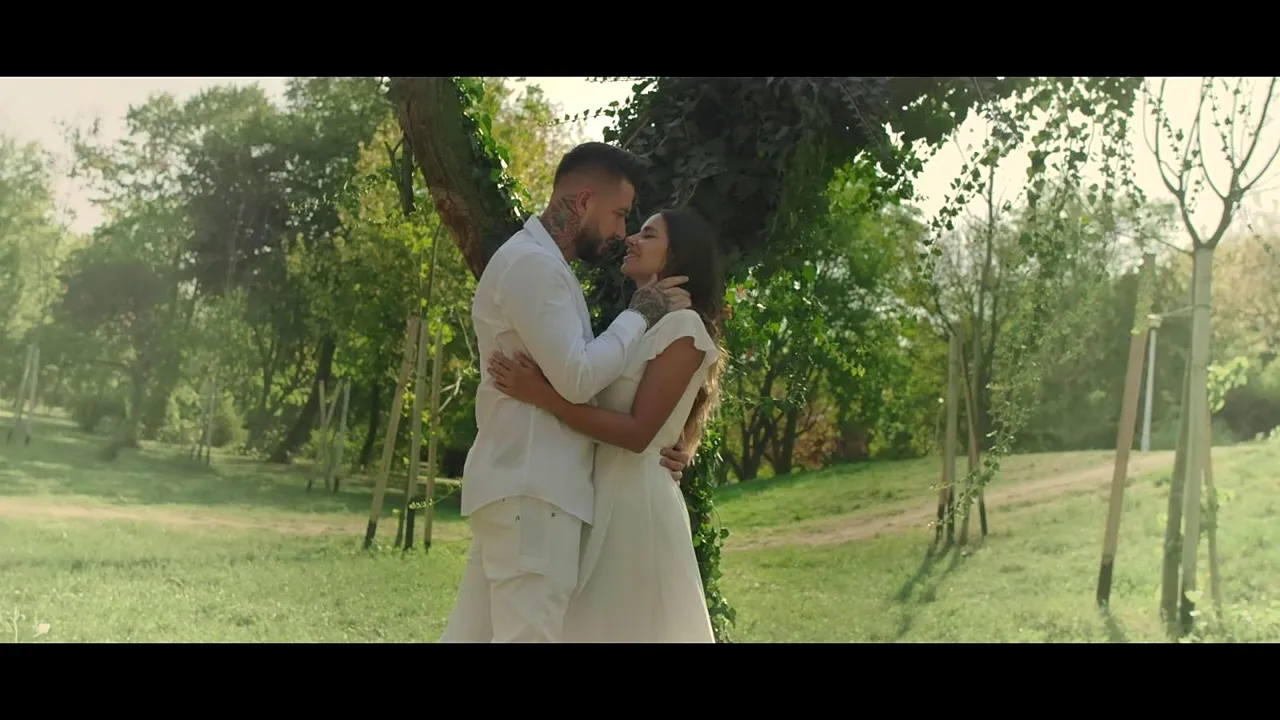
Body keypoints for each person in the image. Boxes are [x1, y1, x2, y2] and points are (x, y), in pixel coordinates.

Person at [440, 142, 694, 643]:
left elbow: (590, 389)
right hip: (534, 493)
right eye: (619, 214)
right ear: (583, 202)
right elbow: (578, 378)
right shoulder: (532, 266)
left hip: (526, 490)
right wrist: (640, 313)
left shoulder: (544, 266)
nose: (622, 232)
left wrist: (661, 441)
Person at [487, 207, 725, 642]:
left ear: (676, 256)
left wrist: (543, 396)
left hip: (634, 505)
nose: (631, 238)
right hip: (596, 494)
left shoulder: (685, 328)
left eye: (648, 235)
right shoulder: (639, 326)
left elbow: (637, 434)